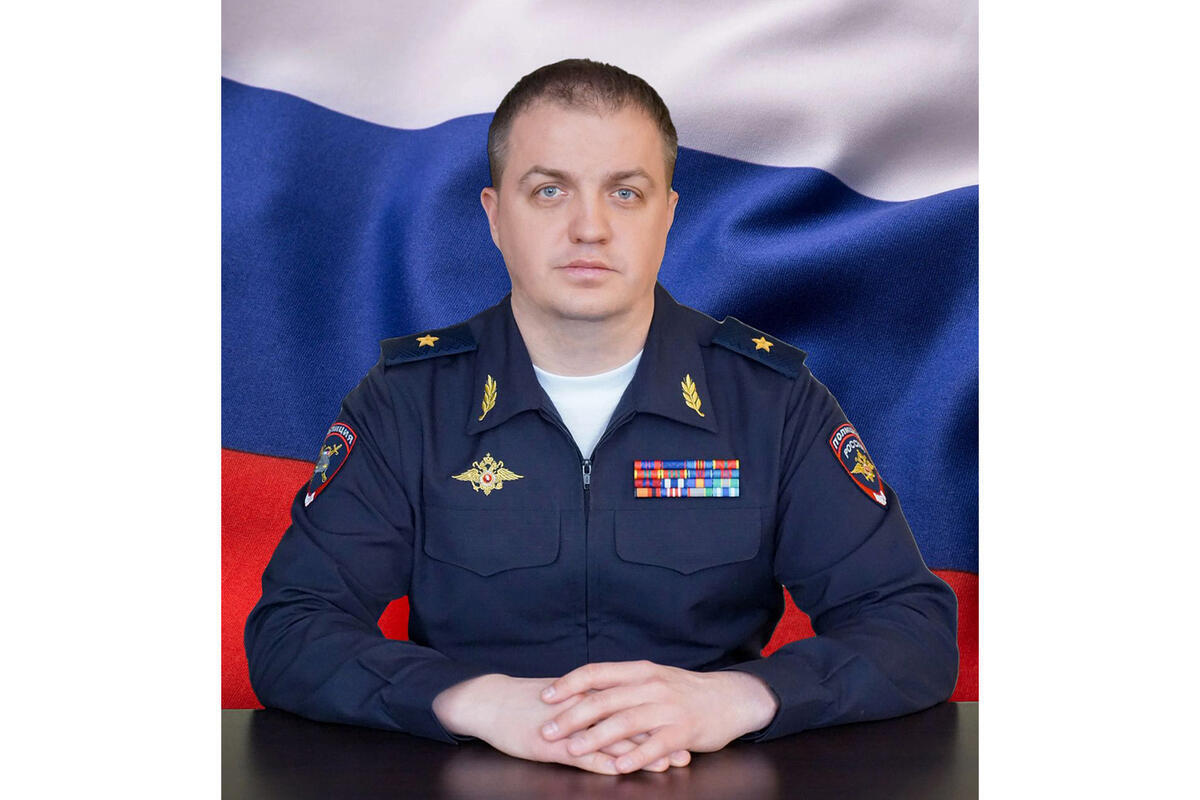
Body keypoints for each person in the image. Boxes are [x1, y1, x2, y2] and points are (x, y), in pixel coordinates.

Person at [244, 58, 959, 777]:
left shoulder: (771, 400)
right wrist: (476, 701)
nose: (590, 228)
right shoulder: (407, 401)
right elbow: (292, 630)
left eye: (625, 192)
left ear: (667, 215)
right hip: (472, 774)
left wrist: (737, 698)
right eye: (549, 190)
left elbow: (910, 627)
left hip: (702, 775)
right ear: (494, 215)